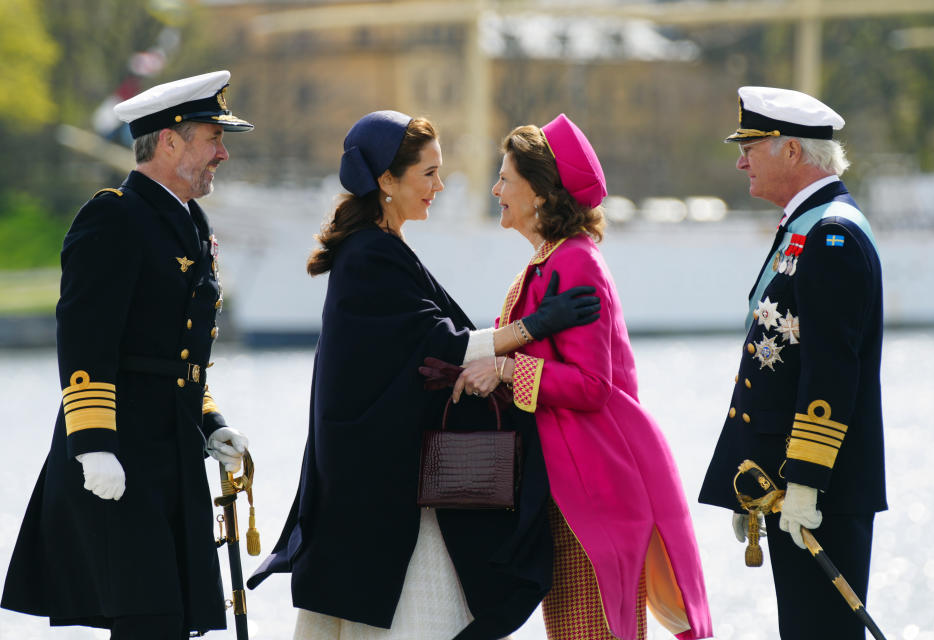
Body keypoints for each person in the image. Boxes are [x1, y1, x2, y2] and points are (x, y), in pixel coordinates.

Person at [246, 110, 602, 640]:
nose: (440, 186)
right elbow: (439, 348)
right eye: (429, 173)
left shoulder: (377, 249)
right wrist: (534, 327)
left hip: (378, 487)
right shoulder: (371, 254)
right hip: (380, 499)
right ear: (387, 181)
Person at [1, 70, 253, 639]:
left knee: (173, 620)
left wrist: (211, 421)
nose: (224, 153)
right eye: (213, 137)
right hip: (120, 453)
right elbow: (86, 338)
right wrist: (92, 446)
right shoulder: (114, 216)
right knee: (149, 618)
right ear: (169, 140)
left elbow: (178, 348)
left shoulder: (191, 223)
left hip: (174, 452)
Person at [450, 114, 713, 640]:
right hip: (565, 487)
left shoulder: (574, 263)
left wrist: (504, 368)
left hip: (593, 488)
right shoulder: (547, 261)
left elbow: (593, 386)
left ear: (542, 193)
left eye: (506, 178)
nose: (496, 189)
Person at [698, 87, 886, 639]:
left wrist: (805, 482)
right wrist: (749, 477)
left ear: (791, 151)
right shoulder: (806, 224)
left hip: (818, 492)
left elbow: (831, 371)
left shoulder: (831, 234)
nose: (740, 161)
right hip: (786, 487)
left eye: (750, 147)